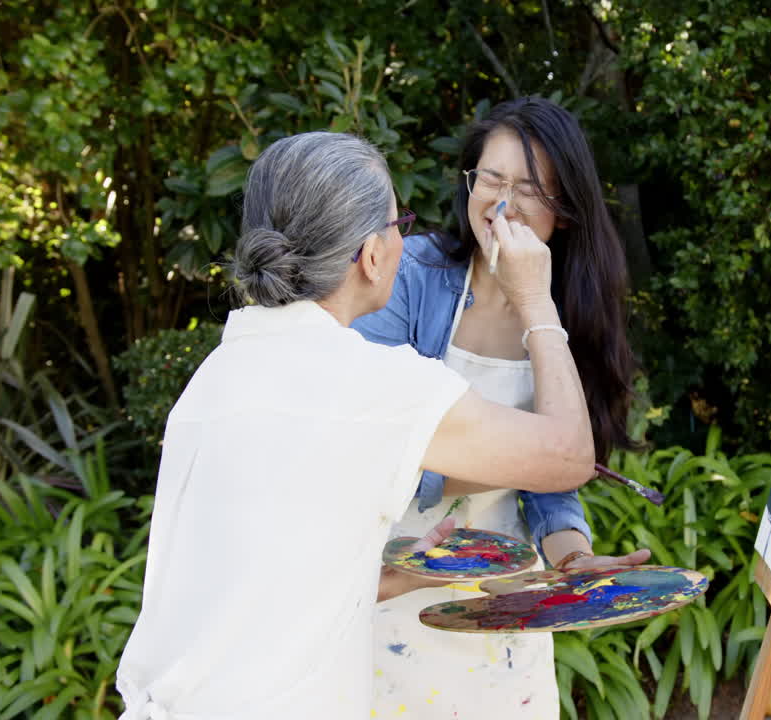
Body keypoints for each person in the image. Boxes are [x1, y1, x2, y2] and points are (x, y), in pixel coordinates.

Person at [115, 131, 595, 720]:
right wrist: (537, 303)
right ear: (372, 255)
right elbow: (569, 455)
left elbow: (266, 579)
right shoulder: (373, 387)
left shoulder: (219, 371)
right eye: (399, 224)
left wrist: (398, 572)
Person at [353, 96, 649, 718]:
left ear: (565, 212)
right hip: (387, 583)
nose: (503, 202)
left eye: (529, 188)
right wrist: (532, 461)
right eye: (491, 178)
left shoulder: (570, 313)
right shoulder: (409, 276)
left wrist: (571, 556)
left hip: (502, 596)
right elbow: (374, 451)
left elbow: (557, 483)